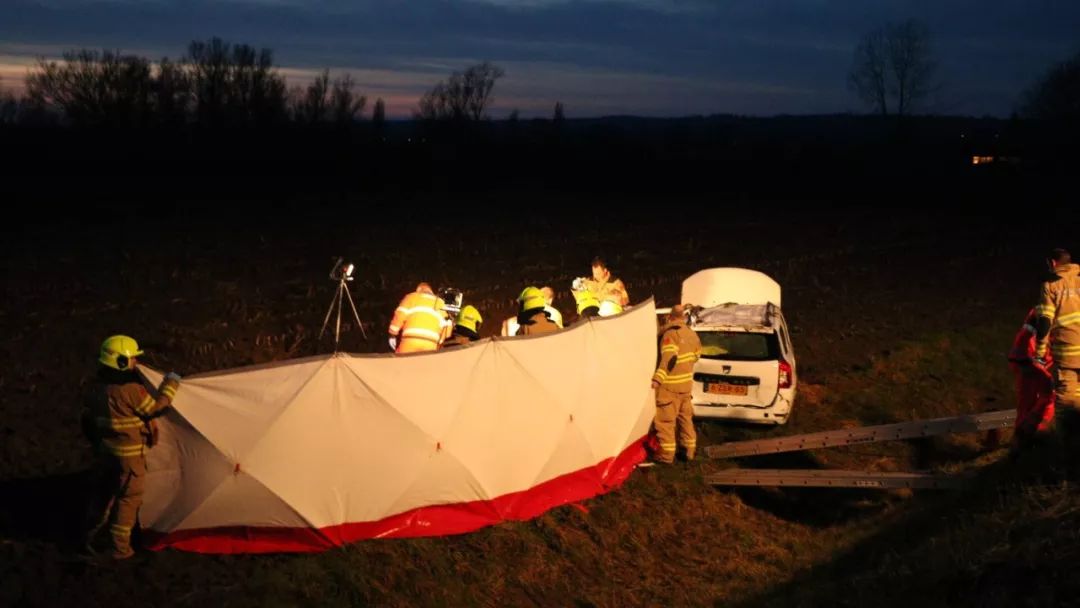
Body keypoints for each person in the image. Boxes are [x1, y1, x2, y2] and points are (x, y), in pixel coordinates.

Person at [80, 335, 180, 559]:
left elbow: (87, 422)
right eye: (133, 359)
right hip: (130, 459)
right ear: (122, 362)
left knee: (103, 495)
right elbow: (155, 408)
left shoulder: (94, 389)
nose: (136, 362)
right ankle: (120, 548)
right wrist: (171, 385)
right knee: (128, 500)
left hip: (105, 454)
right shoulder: (132, 391)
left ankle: (89, 536)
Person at [1035, 248, 1080, 463]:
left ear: (1052, 263)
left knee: (1068, 401)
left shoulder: (1051, 284)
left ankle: (1068, 455)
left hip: (1069, 354)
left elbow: (1044, 320)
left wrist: (1040, 350)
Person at [650, 305, 701, 463]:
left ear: (670, 317)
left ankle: (666, 456)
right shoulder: (692, 334)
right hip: (686, 386)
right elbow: (697, 356)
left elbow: (669, 358)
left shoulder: (670, 334)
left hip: (669, 387)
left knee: (665, 422)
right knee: (685, 419)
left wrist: (657, 379)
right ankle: (688, 451)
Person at [1007, 308, 1055, 451]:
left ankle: (1028, 438)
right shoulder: (1048, 310)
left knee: (1040, 401)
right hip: (1030, 360)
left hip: (1032, 360)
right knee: (1037, 399)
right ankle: (1025, 439)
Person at [388, 283, 452, 354]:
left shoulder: (411, 297)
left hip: (410, 340)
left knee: (402, 363)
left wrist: (392, 334)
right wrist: (440, 343)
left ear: (418, 290)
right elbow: (447, 329)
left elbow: (399, 315)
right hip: (431, 344)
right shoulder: (441, 303)